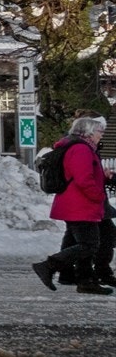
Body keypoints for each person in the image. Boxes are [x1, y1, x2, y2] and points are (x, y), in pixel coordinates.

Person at [32, 115, 115, 295]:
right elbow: (83, 179)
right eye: (99, 131)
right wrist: (98, 195)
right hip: (80, 205)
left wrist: (103, 176)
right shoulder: (81, 149)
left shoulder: (79, 148)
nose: (102, 135)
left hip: (76, 204)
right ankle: (48, 266)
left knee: (75, 240)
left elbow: (85, 174)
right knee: (89, 244)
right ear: (88, 133)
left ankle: (76, 278)